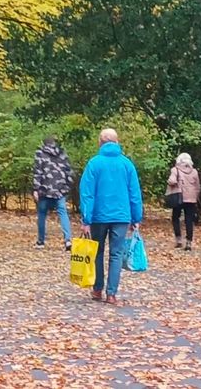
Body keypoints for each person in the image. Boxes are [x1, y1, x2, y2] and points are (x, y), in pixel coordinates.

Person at [80, 128, 143, 306]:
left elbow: (87, 193)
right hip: (121, 216)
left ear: (100, 142)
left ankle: (97, 288)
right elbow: (134, 193)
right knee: (116, 254)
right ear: (117, 142)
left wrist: (86, 219)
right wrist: (136, 217)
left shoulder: (94, 164)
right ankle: (112, 294)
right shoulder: (127, 164)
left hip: (99, 216)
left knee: (98, 251)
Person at [32, 136, 74, 250]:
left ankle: (41, 241)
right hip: (60, 190)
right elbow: (69, 172)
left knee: (42, 214)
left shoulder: (40, 153)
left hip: (45, 189)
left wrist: (36, 189)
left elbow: (37, 171)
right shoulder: (62, 153)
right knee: (63, 214)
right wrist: (66, 188)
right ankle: (68, 240)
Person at [167, 153, 201, 251]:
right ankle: (189, 242)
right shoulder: (194, 171)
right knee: (189, 220)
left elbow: (172, 181)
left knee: (175, 218)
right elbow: (198, 186)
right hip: (191, 199)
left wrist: (171, 182)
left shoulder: (175, 170)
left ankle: (178, 239)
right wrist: (195, 196)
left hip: (179, 197)